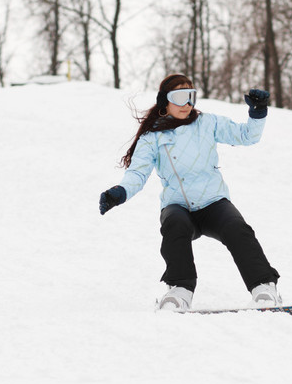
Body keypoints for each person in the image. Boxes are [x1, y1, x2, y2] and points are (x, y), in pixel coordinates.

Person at [99, 73, 280, 311]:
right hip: (178, 205)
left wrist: (257, 112)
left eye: (191, 96)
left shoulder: (207, 123)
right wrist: (120, 192)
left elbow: (247, 135)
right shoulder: (152, 136)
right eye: (180, 97)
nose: (186, 104)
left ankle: (264, 287)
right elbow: (138, 173)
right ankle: (180, 290)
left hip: (213, 202)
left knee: (237, 228)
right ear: (165, 101)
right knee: (174, 225)